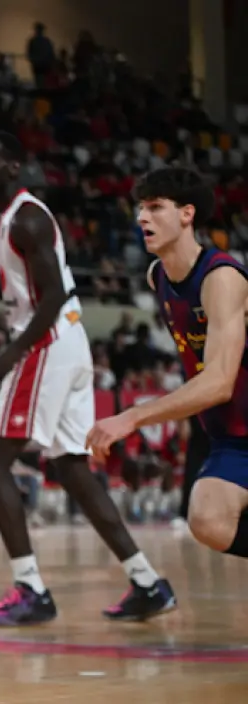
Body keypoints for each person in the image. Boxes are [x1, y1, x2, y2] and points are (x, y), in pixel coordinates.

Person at [0, 132, 174, 626]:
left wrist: (9, 355)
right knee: (72, 469)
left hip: (48, 343)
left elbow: (55, 294)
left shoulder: (27, 217)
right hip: (65, 341)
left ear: (13, 167)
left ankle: (31, 590)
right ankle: (147, 582)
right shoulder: (7, 216)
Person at [88, 167, 248, 559]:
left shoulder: (222, 277)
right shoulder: (156, 277)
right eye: (141, 208)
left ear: (186, 214)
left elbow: (219, 382)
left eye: (156, 207)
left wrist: (131, 417)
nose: (143, 217)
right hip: (233, 436)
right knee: (208, 520)